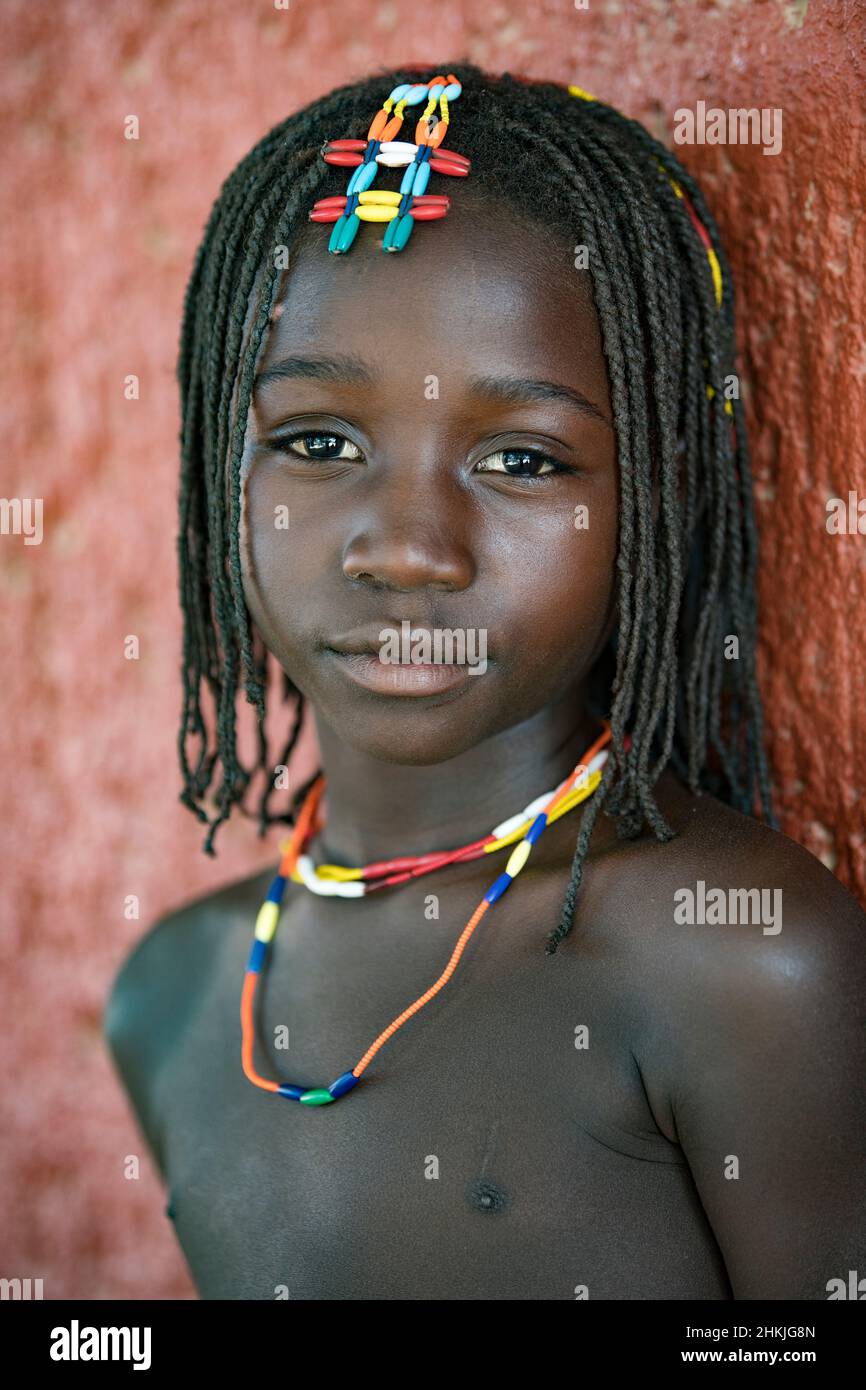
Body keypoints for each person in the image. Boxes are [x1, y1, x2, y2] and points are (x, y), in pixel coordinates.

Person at [104, 63, 866, 1300]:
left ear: (654, 500)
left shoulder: (738, 960)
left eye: (521, 456)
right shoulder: (177, 997)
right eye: (316, 442)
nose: (404, 546)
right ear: (215, 472)